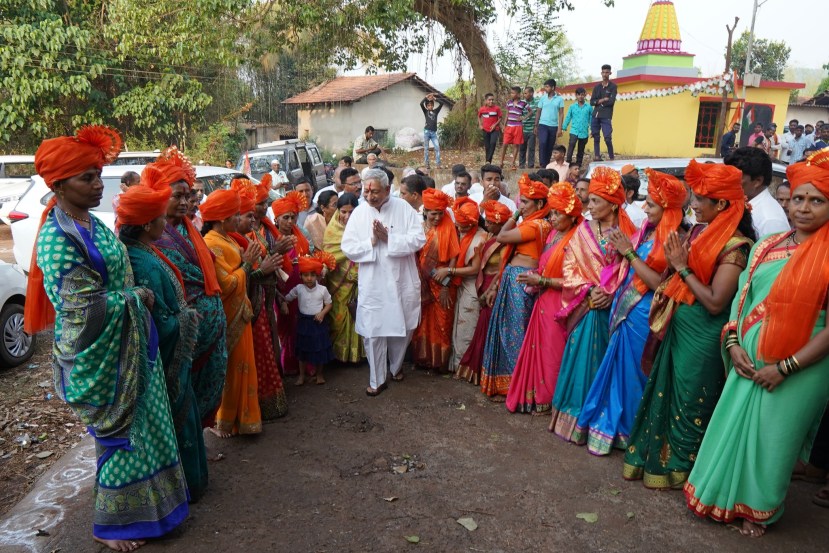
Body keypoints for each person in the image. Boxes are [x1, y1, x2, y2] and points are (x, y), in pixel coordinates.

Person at [25, 126, 189, 550]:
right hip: (103, 354)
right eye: (87, 178)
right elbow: (82, 310)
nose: (99, 185)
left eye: (99, 175)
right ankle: (113, 525)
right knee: (122, 435)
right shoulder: (57, 238)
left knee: (148, 425)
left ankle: (155, 512)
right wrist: (136, 296)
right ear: (58, 184)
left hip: (132, 343)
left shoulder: (90, 223)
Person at [685, 151, 829, 537]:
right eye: (798, 198)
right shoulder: (767, 246)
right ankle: (721, 497)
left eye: (817, 201)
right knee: (731, 427)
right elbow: (741, 299)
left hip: (803, 367)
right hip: (746, 358)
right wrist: (733, 343)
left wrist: (785, 368)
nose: (804, 208)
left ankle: (759, 508)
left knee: (773, 439)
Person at [623, 160, 755, 490]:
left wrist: (681, 269)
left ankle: (687, 474)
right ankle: (662, 466)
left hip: (703, 337)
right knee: (665, 397)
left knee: (690, 403)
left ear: (722, 204)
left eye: (699, 200)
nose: (693, 205)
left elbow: (714, 301)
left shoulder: (736, 247)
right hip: (679, 329)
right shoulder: (699, 233)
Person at [574, 169, 687, 455]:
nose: (644, 208)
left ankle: (631, 431)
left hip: (645, 314)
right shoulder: (647, 231)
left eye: (651, 204)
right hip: (626, 309)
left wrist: (629, 252)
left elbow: (658, 284)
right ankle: (611, 429)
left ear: (667, 208)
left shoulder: (676, 238)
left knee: (635, 374)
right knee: (617, 372)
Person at [118, 182, 209, 501]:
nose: (164, 223)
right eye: (159, 216)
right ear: (146, 224)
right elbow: (155, 319)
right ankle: (185, 487)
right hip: (164, 353)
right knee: (177, 418)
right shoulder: (141, 261)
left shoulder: (146, 251)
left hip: (171, 348)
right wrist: (184, 320)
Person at [548, 167, 637, 440]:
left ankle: (597, 422)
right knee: (581, 360)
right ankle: (573, 419)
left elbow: (632, 270)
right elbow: (570, 267)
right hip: (586, 307)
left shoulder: (627, 233)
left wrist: (610, 292)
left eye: (596, 201)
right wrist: (588, 292)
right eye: (591, 200)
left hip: (612, 310)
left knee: (604, 365)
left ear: (613, 204)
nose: (590, 205)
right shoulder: (583, 231)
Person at [147, 148, 228, 431]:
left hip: (209, 326)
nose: (185, 202)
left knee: (205, 392)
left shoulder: (189, 227)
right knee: (181, 398)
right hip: (180, 336)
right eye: (177, 196)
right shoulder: (151, 236)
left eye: (187, 195)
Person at [341, 168, 426, 396]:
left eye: (375, 192)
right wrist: (371, 241)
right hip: (373, 283)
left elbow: (419, 238)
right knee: (373, 331)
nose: (370, 196)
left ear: (388, 189)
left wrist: (390, 239)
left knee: (403, 328)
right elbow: (347, 247)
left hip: (401, 280)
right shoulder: (359, 214)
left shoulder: (404, 209)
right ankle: (377, 379)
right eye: (367, 192)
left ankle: (396, 367)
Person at [506, 183, 583, 414]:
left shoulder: (577, 240)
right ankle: (536, 396)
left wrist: (543, 282)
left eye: (560, 213)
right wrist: (537, 277)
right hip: (543, 298)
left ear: (571, 216)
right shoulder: (552, 233)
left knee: (552, 351)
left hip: (560, 303)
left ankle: (549, 398)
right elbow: (545, 265)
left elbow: (578, 281)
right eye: (553, 212)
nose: (554, 217)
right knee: (538, 347)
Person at [480, 175, 552, 399]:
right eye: (520, 202)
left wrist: (515, 215)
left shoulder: (537, 225)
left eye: (525, 203)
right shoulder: (531, 223)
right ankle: (507, 383)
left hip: (520, 281)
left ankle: (517, 385)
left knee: (515, 333)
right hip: (513, 278)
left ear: (540, 204)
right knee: (506, 330)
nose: (521, 206)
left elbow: (501, 235)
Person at [201, 189, 262, 437]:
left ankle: (243, 418)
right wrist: (246, 264)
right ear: (222, 219)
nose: (239, 218)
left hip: (240, 310)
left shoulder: (228, 238)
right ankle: (225, 419)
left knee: (244, 365)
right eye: (235, 214)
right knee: (232, 369)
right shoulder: (212, 244)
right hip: (229, 313)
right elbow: (225, 283)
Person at [246, 178, 292, 420]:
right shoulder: (245, 232)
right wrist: (275, 254)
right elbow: (252, 267)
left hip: (266, 294)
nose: (264, 208)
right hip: (252, 299)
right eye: (260, 204)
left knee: (269, 343)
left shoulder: (261, 228)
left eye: (265, 203)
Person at [455, 200, 511, 384]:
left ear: (500, 224)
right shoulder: (489, 237)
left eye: (490, 222)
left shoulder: (504, 243)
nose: (485, 224)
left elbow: (502, 269)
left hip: (493, 287)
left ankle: (483, 372)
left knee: (485, 328)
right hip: (482, 283)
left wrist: (491, 289)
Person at [412, 189, 460, 371]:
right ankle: (423, 358)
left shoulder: (449, 228)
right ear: (425, 211)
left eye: (441, 213)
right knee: (423, 321)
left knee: (442, 322)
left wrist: (447, 284)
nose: (438, 217)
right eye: (434, 213)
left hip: (442, 283)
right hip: (422, 282)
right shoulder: (418, 228)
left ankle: (439, 363)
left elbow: (454, 257)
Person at [272, 191, 312, 378]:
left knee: (304, 324)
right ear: (277, 219)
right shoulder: (271, 238)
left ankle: (308, 364)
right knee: (288, 327)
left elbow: (307, 256)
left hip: (304, 287)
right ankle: (289, 363)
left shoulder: (300, 235)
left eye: (293, 217)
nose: (290, 221)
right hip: (284, 290)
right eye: (285, 217)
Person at [323, 193, 365, 363]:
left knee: (359, 317)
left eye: (352, 212)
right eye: (343, 212)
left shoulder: (364, 228)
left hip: (360, 284)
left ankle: (359, 355)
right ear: (337, 211)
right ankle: (339, 356)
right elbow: (328, 256)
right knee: (339, 319)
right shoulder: (332, 231)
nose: (347, 216)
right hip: (339, 286)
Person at [284, 251, 337, 385]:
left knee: (319, 349)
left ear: (318, 276)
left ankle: (319, 374)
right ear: (301, 276)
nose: (309, 278)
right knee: (303, 351)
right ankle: (301, 376)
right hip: (303, 324)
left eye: (312, 275)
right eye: (306, 275)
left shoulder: (322, 290)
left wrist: (322, 313)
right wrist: (284, 304)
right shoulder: (298, 289)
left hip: (318, 323)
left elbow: (329, 303)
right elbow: (286, 298)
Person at [447, 197, 487, 372]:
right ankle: (456, 365)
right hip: (459, 285)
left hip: (472, 286)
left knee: (467, 326)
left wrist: (449, 272)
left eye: (464, 226)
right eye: (458, 225)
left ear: (473, 224)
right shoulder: (460, 233)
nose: (460, 229)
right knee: (457, 324)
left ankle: (465, 368)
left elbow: (474, 269)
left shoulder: (480, 237)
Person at [725, 147, 790, 237]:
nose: (728, 181)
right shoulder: (740, 205)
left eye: (735, 177)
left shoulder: (770, 220)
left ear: (757, 181)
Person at [535, 79, 565, 167]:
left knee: (550, 145)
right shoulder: (543, 98)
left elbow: (561, 113)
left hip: (554, 126)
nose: (545, 88)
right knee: (543, 143)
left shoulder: (559, 99)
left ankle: (546, 164)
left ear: (553, 87)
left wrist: (560, 128)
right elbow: (538, 111)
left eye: (547, 87)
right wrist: (536, 125)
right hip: (543, 125)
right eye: (545, 87)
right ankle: (542, 164)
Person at [590, 64, 618, 161]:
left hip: (606, 116)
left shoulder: (613, 87)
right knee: (596, 137)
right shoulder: (597, 87)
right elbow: (591, 102)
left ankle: (611, 157)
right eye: (603, 72)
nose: (605, 74)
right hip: (595, 115)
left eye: (607, 72)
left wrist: (598, 102)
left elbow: (611, 102)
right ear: (601, 73)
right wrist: (603, 100)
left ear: (610, 73)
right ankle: (597, 157)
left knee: (607, 138)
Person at [562, 87, 592, 166]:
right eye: (579, 95)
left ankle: (578, 164)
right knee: (571, 145)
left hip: (584, 131)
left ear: (584, 95)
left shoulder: (589, 107)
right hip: (574, 130)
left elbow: (591, 119)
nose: (580, 96)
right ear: (576, 96)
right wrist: (563, 128)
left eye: (582, 95)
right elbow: (568, 117)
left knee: (581, 149)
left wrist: (592, 130)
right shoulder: (572, 107)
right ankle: (568, 162)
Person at [500, 86, 526, 169]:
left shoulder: (523, 103)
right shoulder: (509, 103)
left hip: (518, 127)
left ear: (518, 94)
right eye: (511, 93)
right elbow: (507, 114)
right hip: (509, 126)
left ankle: (513, 163)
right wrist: (504, 126)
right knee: (505, 144)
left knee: (516, 145)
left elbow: (531, 111)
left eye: (513, 93)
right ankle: (501, 162)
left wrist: (523, 117)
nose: (511, 94)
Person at [478, 93, 502, 164]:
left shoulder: (497, 108)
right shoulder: (482, 109)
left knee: (493, 143)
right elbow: (479, 116)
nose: (491, 101)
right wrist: (480, 125)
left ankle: (488, 160)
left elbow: (500, 118)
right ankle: (488, 162)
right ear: (485, 101)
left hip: (494, 129)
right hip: (485, 129)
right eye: (489, 100)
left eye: (492, 100)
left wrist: (495, 125)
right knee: (487, 146)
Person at [421, 93, 444, 169]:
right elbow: (421, 104)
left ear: (433, 106)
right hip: (427, 132)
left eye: (431, 105)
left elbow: (442, 103)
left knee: (437, 147)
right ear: (427, 107)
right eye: (428, 105)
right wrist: (426, 97)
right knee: (426, 148)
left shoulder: (436, 111)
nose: (430, 106)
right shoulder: (425, 112)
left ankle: (438, 164)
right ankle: (427, 164)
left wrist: (434, 98)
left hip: (433, 133)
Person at [518, 86, 538, 169]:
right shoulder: (521, 102)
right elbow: (519, 114)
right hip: (523, 128)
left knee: (531, 148)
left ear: (531, 93)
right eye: (524, 93)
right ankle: (521, 165)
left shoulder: (537, 102)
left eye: (526, 93)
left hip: (532, 129)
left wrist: (536, 126)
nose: (524, 95)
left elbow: (538, 114)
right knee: (522, 148)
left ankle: (530, 166)